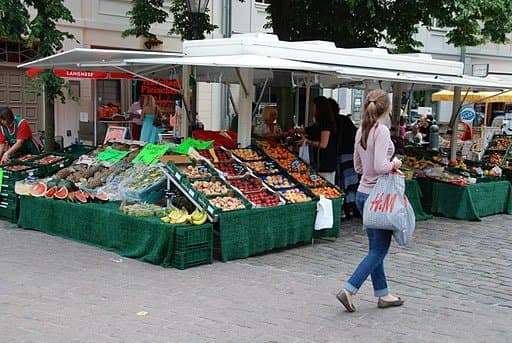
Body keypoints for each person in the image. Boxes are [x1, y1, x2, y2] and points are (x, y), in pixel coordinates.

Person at [336, 89, 403, 313]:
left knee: (376, 247)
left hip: (364, 194)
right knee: (379, 250)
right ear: (388, 109)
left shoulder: (361, 131)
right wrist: (395, 163)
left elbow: (358, 167)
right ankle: (349, 289)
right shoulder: (381, 131)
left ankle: (383, 294)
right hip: (380, 196)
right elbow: (379, 166)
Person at [333, 99, 359, 220]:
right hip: (351, 154)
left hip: (341, 154)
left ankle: (344, 209)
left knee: (341, 182)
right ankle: (351, 208)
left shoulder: (334, 121)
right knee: (350, 182)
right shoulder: (345, 120)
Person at [303, 96, 338, 183]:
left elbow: (323, 144)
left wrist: (307, 141)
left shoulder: (326, 124)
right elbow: (309, 130)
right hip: (322, 163)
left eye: (314, 106)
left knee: (325, 187)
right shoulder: (320, 123)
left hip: (325, 163)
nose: (313, 109)